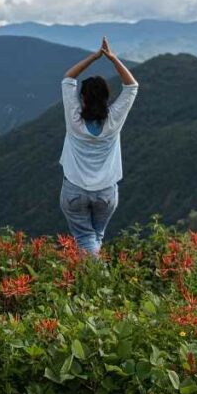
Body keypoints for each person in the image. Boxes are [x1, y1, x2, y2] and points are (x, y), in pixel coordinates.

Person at [59, 36, 138, 256]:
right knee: (95, 237)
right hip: (106, 191)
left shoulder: (74, 120)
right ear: (107, 98)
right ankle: (94, 280)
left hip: (74, 188)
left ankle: (100, 279)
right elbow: (131, 86)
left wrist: (94, 57)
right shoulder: (113, 121)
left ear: (82, 99)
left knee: (85, 239)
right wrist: (112, 59)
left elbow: (68, 79)